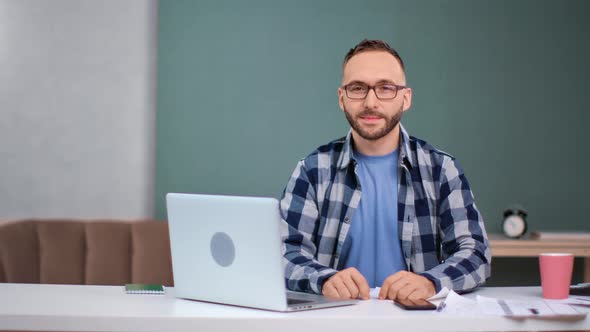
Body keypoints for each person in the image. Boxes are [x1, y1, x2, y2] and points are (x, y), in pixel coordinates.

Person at [279, 39, 491, 301]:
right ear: (341, 98)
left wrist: (430, 282)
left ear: (406, 98)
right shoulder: (313, 170)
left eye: (385, 88)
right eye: (357, 88)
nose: (371, 101)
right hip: (336, 321)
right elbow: (283, 253)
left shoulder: (441, 170)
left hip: (419, 322)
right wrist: (323, 280)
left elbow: (475, 253)